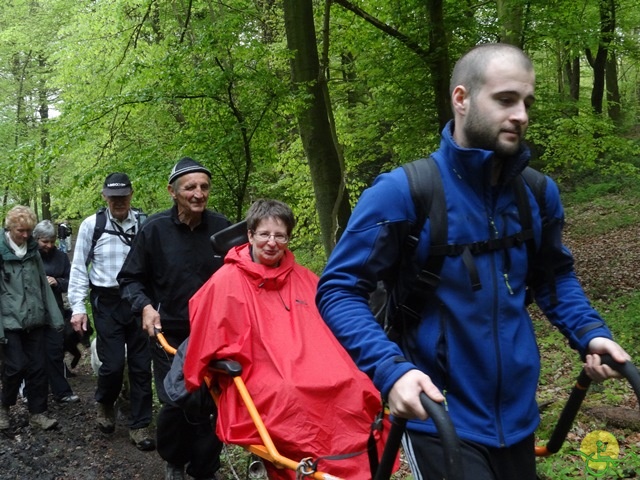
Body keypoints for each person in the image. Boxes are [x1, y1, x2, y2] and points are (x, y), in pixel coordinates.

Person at [315, 43, 631, 480]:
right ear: (461, 99)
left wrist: (590, 333)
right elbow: (337, 290)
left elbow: (554, 278)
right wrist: (392, 371)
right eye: (505, 99)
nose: (521, 114)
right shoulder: (402, 192)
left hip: (518, 416)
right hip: (437, 414)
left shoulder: (537, 194)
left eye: (526, 102)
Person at [181, 199, 390, 480]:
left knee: (355, 383)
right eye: (265, 234)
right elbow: (205, 335)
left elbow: (332, 323)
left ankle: (357, 465)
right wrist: (194, 378)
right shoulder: (225, 281)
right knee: (290, 392)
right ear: (251, 235)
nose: (272, 242)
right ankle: (304, 465)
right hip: (263, 369)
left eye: (279, 235)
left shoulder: (304, 278)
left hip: (314, 361)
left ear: (288, 238)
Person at [118, 157, 231, 480]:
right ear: (173, 191)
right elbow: (130, 278)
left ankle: (205, 468)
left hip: (214, 334)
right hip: (169, 334)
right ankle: (174, 461)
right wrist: (145, 307)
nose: (198, 193)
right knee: (176, 400)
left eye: (204, 187)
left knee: (212, 403)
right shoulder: (154, 230)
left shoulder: (222, 229)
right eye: (190, 187)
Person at [68, 172, 155, 451]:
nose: (118, 201)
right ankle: (105, 402)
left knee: (142, 366)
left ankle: (140, 425)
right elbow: (79, 267)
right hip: (106, 302)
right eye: (113, 196)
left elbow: (157, 265)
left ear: (131, 195)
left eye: (123, 196)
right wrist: (78, 308)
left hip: (139, 301)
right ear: (105, 196)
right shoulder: (92, 225)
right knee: (113, 364)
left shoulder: (145, 223)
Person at [0, 206, 64, 431]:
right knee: (15, 367)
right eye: (21, 231)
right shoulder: (1, 251)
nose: (26, 235)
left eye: (28, 231)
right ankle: (4, 407)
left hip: (35, 319)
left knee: (38, 367)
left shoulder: (33, 252)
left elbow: (43, 286)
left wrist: (56, 318)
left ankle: (38, 413)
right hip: (10, 322)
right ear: (10, 228)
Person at [33, 220, 79, 403]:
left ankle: (62, 392)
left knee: (55, 351)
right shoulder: (29, 255)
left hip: (55, 311)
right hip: (33, 311)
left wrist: (57, 282)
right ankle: (33, 394)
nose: (49, 245)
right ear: (36, 239)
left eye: (52, 241)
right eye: (45, 241)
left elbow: (71, 282)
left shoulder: (60, 257)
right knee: (35, 355)